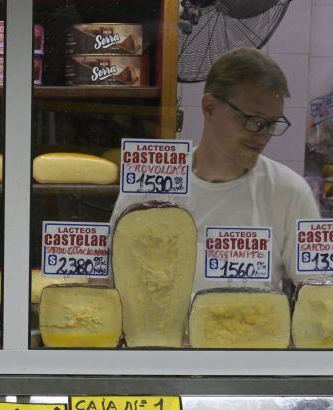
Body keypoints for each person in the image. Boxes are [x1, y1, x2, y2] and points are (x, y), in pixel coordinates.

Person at [111, 47, 319, 294]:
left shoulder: (289, 192)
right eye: (253, 120)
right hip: (157, 332)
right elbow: (113, 275)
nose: (262, 135)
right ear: (209, 108)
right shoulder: (152, 180)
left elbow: (319, 292)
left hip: (251, 331)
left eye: (271, 124)